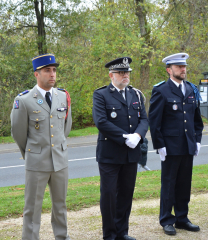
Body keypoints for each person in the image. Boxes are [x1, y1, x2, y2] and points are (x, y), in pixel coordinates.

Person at [10, 53, 72, 240]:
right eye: (47, 71)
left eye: (54, 70)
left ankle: (62, 236)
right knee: (32, 208)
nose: (52, 74)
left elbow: (65, 129)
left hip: (60, 161)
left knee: (60, 205)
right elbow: (18, 132)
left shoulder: (63, 97)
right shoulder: (25, 100)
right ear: (36, 74)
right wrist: (31, 153)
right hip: (37, 162)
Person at [92, 57, 149, 240]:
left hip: (131, 153)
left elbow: (144, 120)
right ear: (111, 75)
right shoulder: (101, 94)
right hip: (110, 154)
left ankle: (122, 231)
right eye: (121, 72)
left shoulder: (136, 94)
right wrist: (125, 137)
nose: (125, 76)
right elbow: (101, 121)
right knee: (109, 195)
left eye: (127, 72)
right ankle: (109, 234)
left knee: (126, 193)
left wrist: (138, 136)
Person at [149, 53, 204, 236]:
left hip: (187, 145)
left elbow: (196, 119)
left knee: (184, 184)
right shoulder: (161, 90)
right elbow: (154, 121)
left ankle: (182, 218)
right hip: (170, 147)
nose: (183, 69)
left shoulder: (190, 89)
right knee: (169, 184)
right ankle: (166, 219)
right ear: (169, 70)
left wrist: (197, 140)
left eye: (184, 66)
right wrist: (160, 145)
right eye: (179, 67)